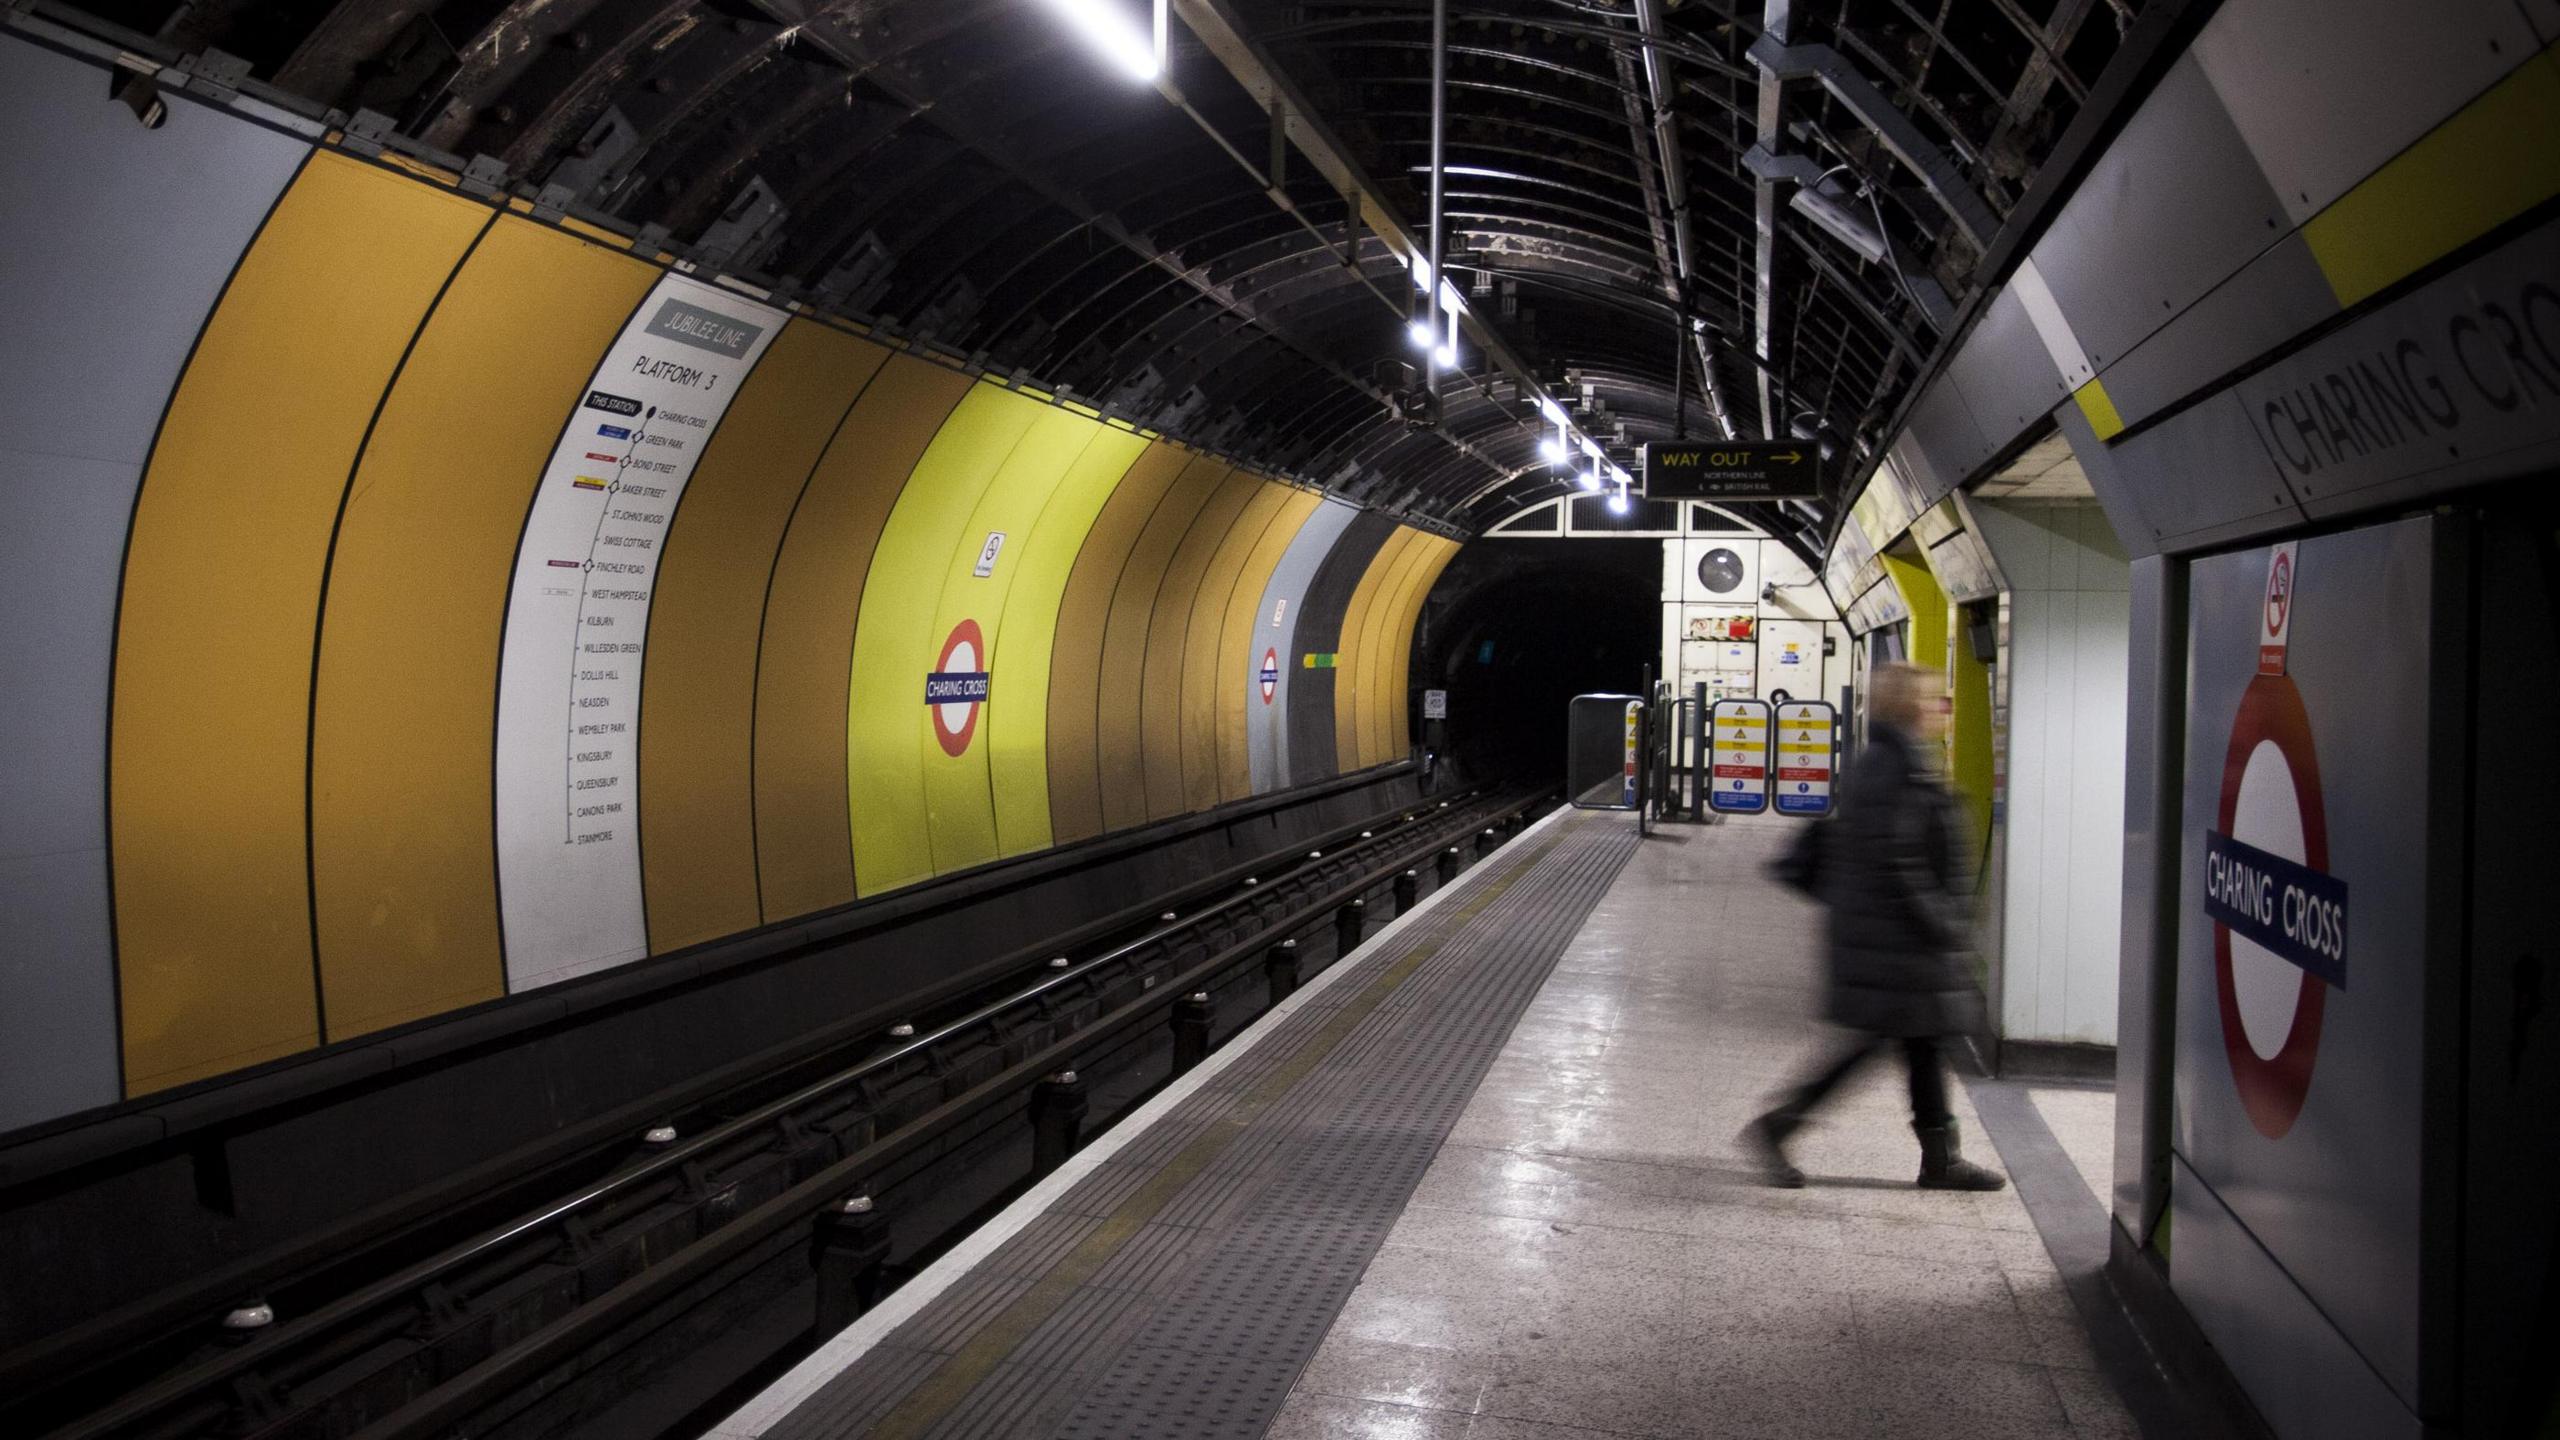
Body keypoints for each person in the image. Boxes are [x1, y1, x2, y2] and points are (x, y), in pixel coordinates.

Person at [1745, 662, 2007, 1191]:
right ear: (1911, 706)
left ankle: (1940, 1159)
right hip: (1895, 941)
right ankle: (1778, 1126)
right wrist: (1945, 923)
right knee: (1876, 1045)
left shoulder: (1885, 762)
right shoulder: (1896, 769)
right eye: (1936, 699)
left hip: (1883, 937)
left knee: (1921, 1044)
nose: (1944, 709)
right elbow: (1898, 862)